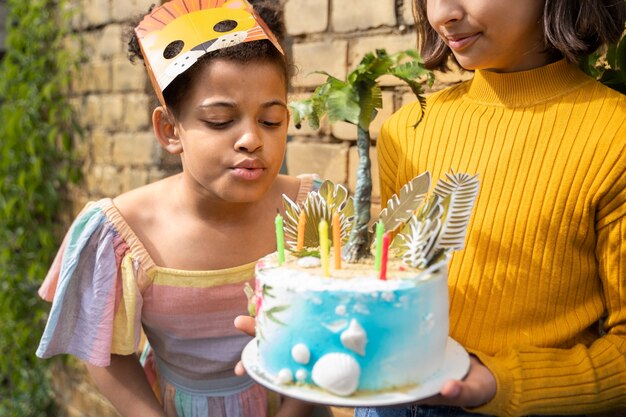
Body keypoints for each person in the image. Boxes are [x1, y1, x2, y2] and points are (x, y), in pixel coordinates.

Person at [35, 1, 321, 416]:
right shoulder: (122, 233)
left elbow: (325, 327)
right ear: (170, 130)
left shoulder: (312, 213)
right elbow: (106, 351)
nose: (250, 140)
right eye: (221, 120)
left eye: (271, 121)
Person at [354, 0, 626, 416]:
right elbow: (397, 283)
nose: (441, 13)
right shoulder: (404, 130)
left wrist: (497, 382)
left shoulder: (614, 136)